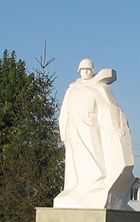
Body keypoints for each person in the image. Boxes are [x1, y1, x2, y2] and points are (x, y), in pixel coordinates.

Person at [53, 59, 135, 209]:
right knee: (74, 159)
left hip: (89, 123)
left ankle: (95, 185)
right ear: (79, 71)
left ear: (92, 71)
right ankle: (76, 188)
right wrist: (63, 132)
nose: (85, 72)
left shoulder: (99, 87)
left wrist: (115, 127)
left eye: (88, 70)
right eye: (83, 69)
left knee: (92, 155)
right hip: (73, 123)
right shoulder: (72, 88)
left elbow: (109, 108)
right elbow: (64, 111)